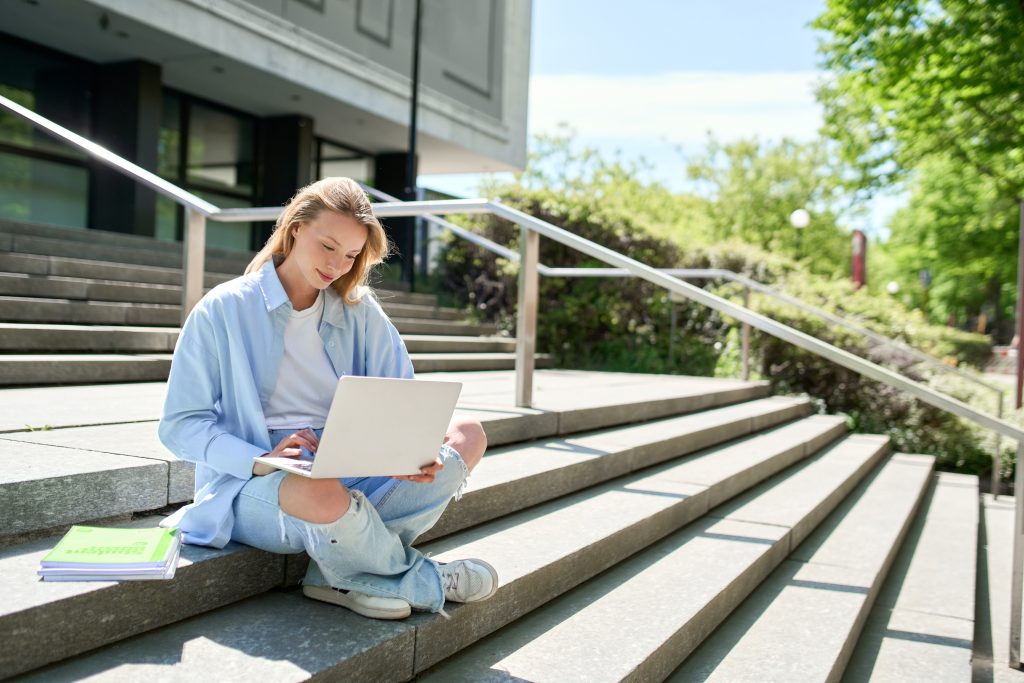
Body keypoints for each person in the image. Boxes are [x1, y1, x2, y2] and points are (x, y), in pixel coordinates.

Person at [157, 177, 496, 620]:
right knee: (320, 490)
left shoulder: (360, 310)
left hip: (352, 457)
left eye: (351, 255)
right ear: (296, 228)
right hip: (257, 475)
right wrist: (261, 458)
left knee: (467, 433)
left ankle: (338, 569)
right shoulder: (223, 309)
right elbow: (180, 426)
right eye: (328, 246)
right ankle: (424, 579)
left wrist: (401, 450)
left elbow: (401, 397)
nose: (337, 264)